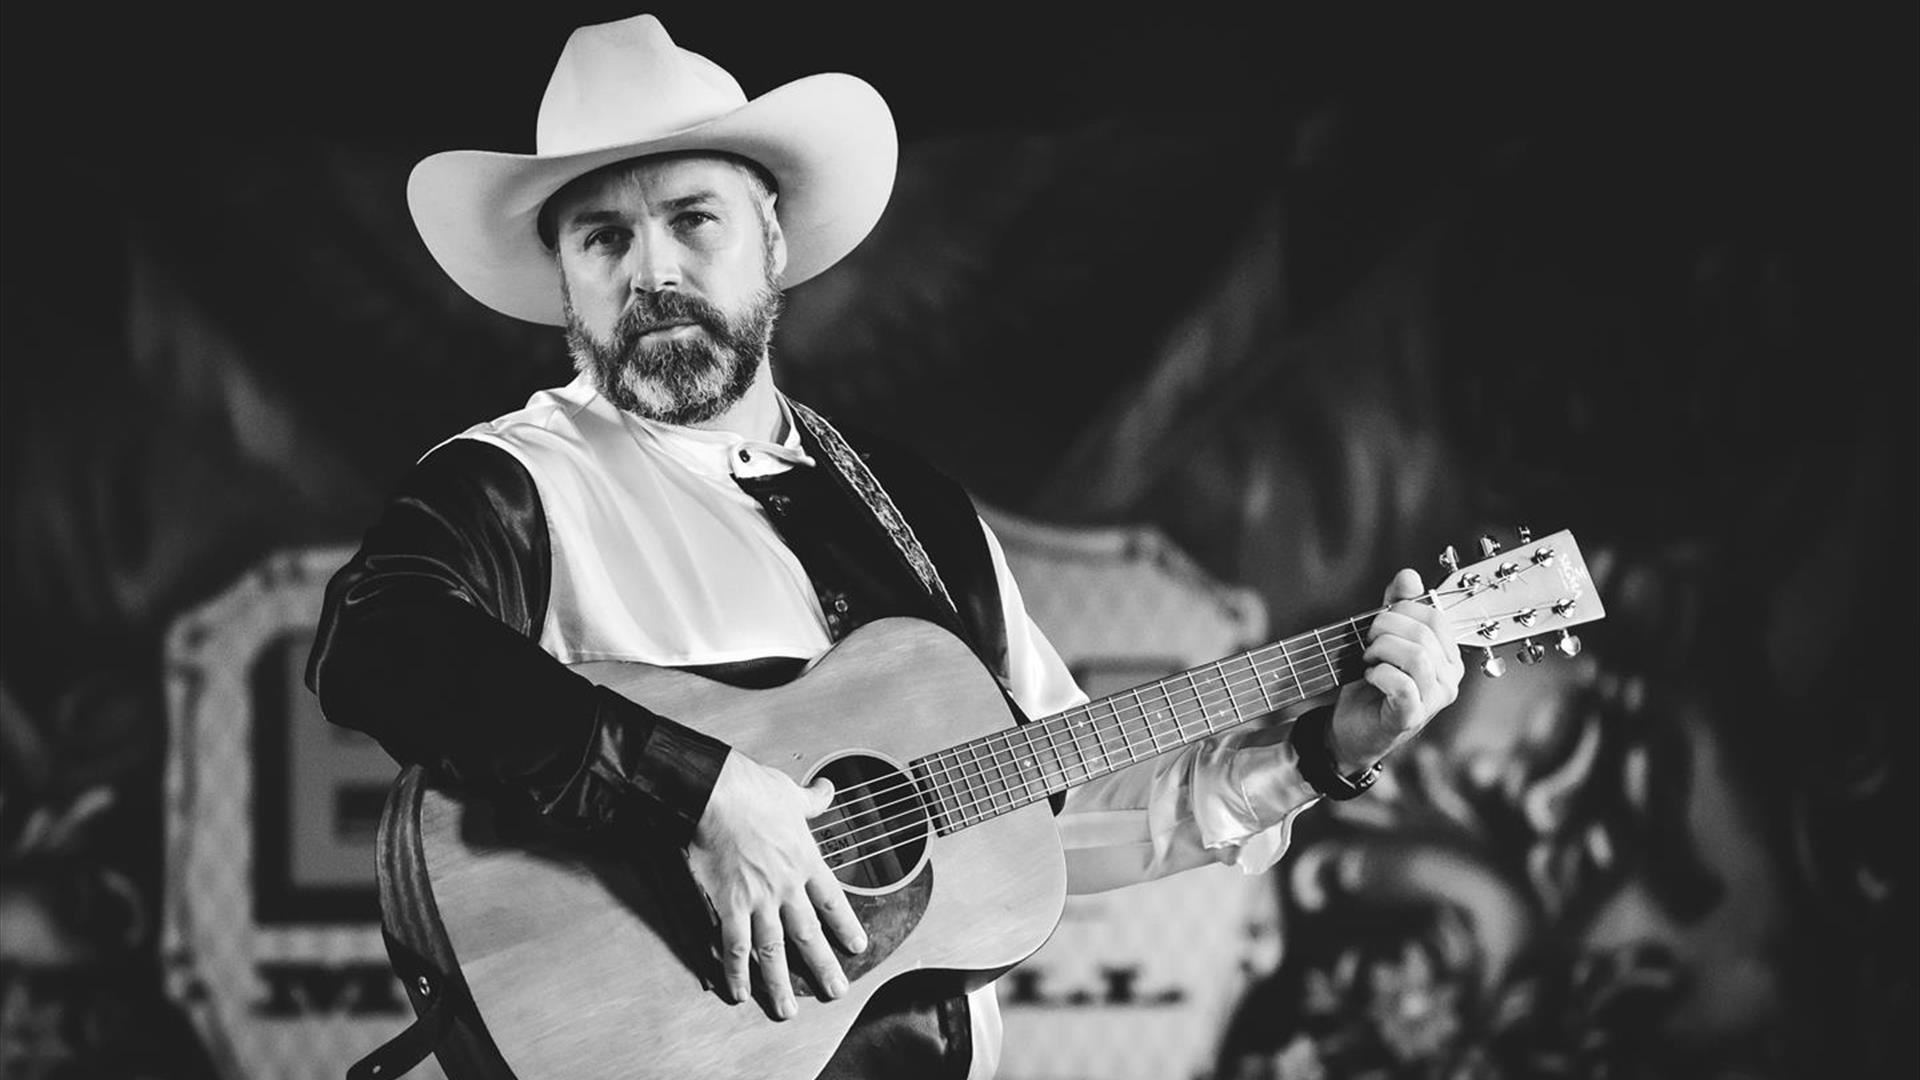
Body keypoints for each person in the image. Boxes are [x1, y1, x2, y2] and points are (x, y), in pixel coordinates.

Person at [306, 13, 1463, 1079]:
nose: (651, 271)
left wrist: (1317, 753)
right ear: (565, 277)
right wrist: (703, 796)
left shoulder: (912, 509)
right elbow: (379, 642)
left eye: (691, 219)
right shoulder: (513, 481)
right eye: (605, 237)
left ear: (769, 231)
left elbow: (1053, 818)